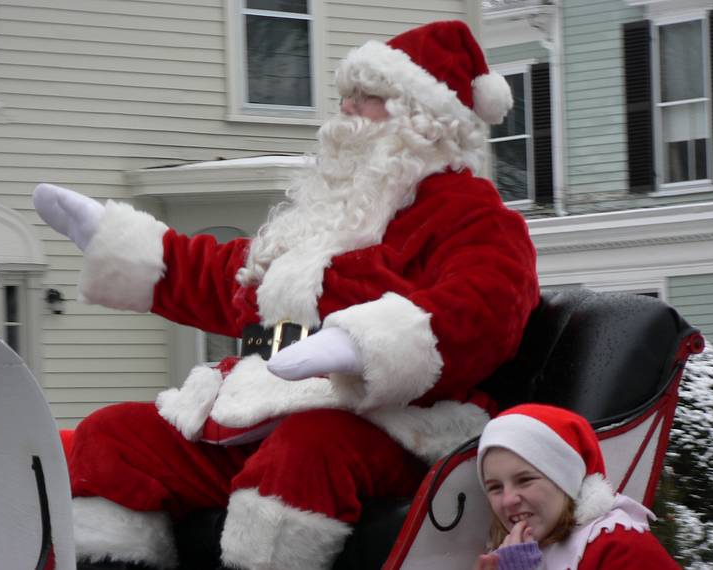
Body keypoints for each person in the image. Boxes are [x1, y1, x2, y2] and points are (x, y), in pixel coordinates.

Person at [33, 20, 540, 570]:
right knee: (116, 437)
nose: (346, 112)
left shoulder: (474, 216)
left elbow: (487, 308)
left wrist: (357, 346)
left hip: (401, 424)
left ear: (422, 120)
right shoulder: (337, 216)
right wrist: (122, 242)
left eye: (367, 98)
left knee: (306, 450)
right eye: (346, 97)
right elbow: (233, 279)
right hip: (276, 407)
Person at [475, 404, 680, 570]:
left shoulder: (621, 546)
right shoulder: (504, 556)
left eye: (525, 480)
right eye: (495, 487)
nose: (509, 500)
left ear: (565, 481)